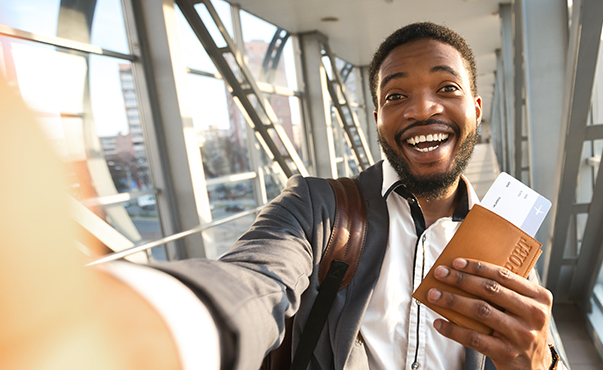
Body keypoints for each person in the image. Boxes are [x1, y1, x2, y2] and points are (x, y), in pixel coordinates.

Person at [0, 22, 564, 370]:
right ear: (376, 118)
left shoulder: (507, 234)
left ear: (476, 109)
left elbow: (534, 348)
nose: (421, 109)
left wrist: (539, 363)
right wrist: (136, 331)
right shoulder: (320, 210)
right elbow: (254, 282)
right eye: (396, 95)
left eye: (446, 88)